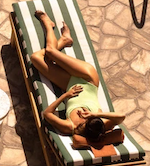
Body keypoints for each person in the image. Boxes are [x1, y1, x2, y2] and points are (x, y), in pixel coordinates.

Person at [31, 10, 125, 140]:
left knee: (36, 57)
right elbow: (121, 116)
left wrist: (66, 95)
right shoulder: (100, 124)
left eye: (83, 123)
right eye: (86, 119)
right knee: (51, 52)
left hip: (69, 85)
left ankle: (64, 40)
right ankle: (48, 24)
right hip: (88, 79)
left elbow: (47, 114)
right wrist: (93, 114)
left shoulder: (70, 126)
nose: (83, 118)